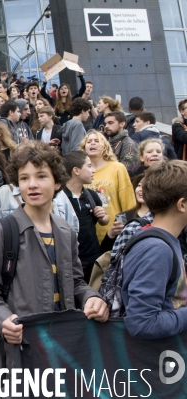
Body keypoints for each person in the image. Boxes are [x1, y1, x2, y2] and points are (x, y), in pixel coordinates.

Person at [0, 141, 108, 374]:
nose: (32, 185)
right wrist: (3, 319)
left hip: (64, 347)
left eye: (41, 176)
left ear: (57, 182)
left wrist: (91, 297)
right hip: (22, 350)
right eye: (24, 178)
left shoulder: (66, 230)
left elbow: (76, 282)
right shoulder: (4, 230)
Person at [122, 161, 187, 339]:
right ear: (182, 204)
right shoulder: (157, 250)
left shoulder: (165, 242)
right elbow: (142, 323)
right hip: (155, 360)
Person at [79, 131, 136, 242]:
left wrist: (126, 228)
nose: (92, 143)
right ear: (84, 147)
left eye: (97, 141)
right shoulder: (80, 171)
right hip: (89, 235)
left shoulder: (117, 168)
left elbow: (128, 202)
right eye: (89, 141)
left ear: (105, 146)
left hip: (114, 232)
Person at [62, 151, 109, 281]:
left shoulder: (91, 195)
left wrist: (103, 216)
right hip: (71, 259)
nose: (93, 170)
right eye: (89, 166)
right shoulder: (59, 197)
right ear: (76, 170)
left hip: (93, 257)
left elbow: (105, 221)